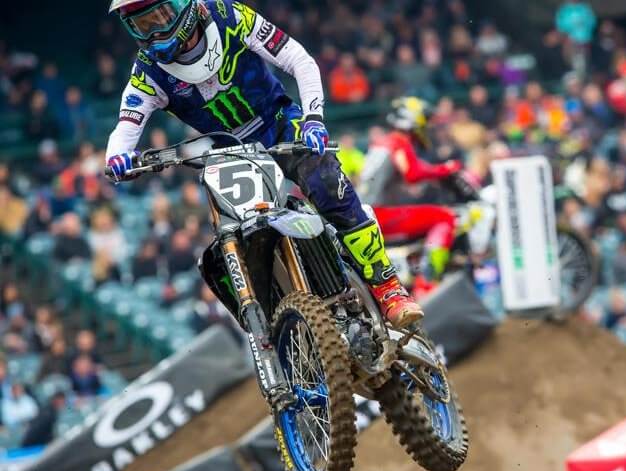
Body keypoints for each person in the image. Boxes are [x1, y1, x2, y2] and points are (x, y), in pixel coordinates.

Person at [103, 0, 421, 328]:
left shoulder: (229, 15)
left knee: (326, 182)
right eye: (142, 25)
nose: (154, 32)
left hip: (279, 123)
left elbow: (298, 59)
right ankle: (272, 324)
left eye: (160, 17)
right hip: (230, 152)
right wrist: (117, 157)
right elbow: (127, 125)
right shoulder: (147, 72)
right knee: (234, 237)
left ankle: (388, 287)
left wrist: (313, 118)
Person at [358, 97, 476, 295]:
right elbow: (412, 173)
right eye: (425, 121)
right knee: (444, 217)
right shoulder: (398, 141)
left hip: (367, 214)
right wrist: (444, 169)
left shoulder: (383, 142)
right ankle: (427, 283)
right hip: (379, 214)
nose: (427, 127)